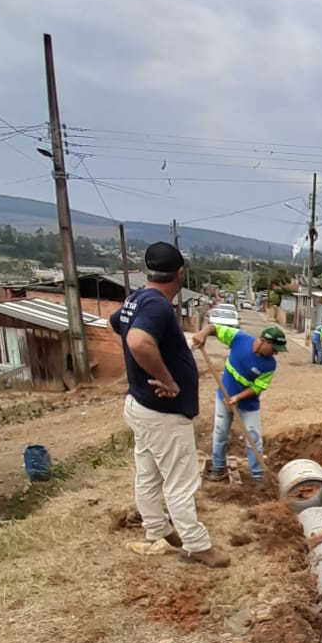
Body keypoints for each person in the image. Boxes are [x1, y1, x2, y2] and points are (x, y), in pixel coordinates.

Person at [110, 242, 229, 568]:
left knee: (148, 475)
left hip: (141, 406)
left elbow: (117, 324)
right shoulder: (158, 307)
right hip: (162, 413)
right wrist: (167, 378)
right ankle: (195, 545)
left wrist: (175, 347)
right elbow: (136, 340)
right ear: (179, 274)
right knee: (180, 481)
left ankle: (157, 532)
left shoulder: (135, 300)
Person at [192, 321, 286, 486]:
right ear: (263, 341)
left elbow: (257, 388)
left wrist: (237, 398)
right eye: (274, 349)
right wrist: (203, 334)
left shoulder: (270, 364)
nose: (275, 354)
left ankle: (257, 477)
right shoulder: (239, 339)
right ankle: (218, 467)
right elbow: (215, 328)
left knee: (253, 438)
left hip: (248, 405)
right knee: (220, 433)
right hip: (224, 396)